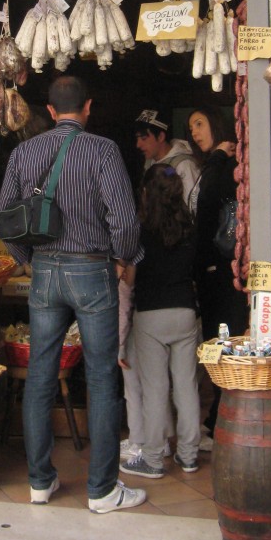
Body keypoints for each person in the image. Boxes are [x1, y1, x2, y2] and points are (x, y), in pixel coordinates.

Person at [0, 76, 147, 514]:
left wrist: (27, 259)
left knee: (40, 376)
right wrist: (123, 258)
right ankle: (102, 490)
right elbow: (124, 218)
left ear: (48, 110)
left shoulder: (25, 152)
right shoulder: (102, 151)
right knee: (101, 379)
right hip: (93, 270)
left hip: (45, 271)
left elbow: (6, 217)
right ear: (87, 108)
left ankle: (39, 483)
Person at [118, 163, 200, 478]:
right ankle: (189, 455)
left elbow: (132, 279)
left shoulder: (140, 231)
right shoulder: (190, 227)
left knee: (155, 389)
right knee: (186, 386)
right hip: (184, 312)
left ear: (146, 194)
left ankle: (152, 459)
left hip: (151, 315)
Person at [187, 105, 249, 432]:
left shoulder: (226, 163)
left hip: (225, 269)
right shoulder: (219, 162)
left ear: (216, 122)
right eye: (191, 127)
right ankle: (220, 413)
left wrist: (216, 162)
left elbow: (209, 199)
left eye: (199, 123)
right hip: (217, 268)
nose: (195, 132)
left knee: (222, 339)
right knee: (216, 340)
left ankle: (223, 414)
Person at [134, 109, 201, 209]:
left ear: (160, 136)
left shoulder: (184, 164)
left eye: (144, 138)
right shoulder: (149, 163)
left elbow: (193, 207)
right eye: (137, 139)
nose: (138, 145)